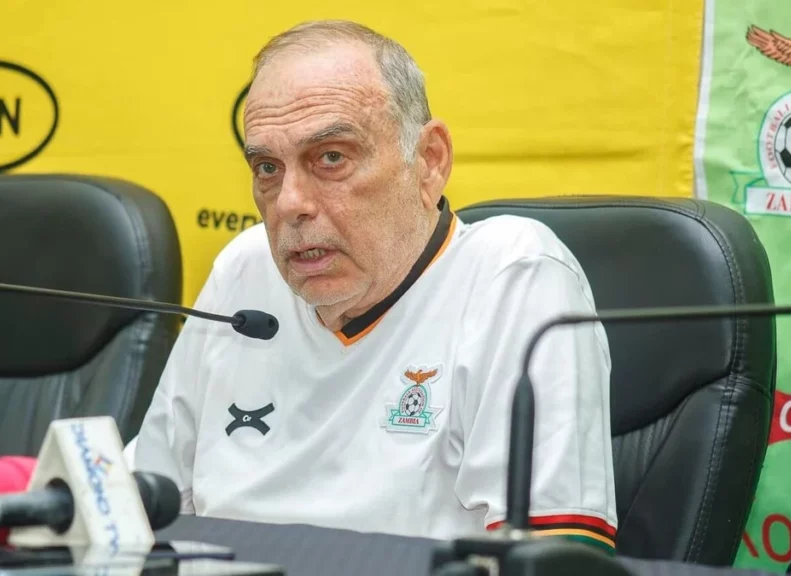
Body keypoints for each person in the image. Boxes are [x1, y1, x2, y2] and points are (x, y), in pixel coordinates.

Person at [123, 19, 616, 553]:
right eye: (267, 167)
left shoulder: (513, 275)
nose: (290, 203)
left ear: (429, 162)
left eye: (331, 157)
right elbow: (136, 508)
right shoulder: (244, 269)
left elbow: (556, 561)